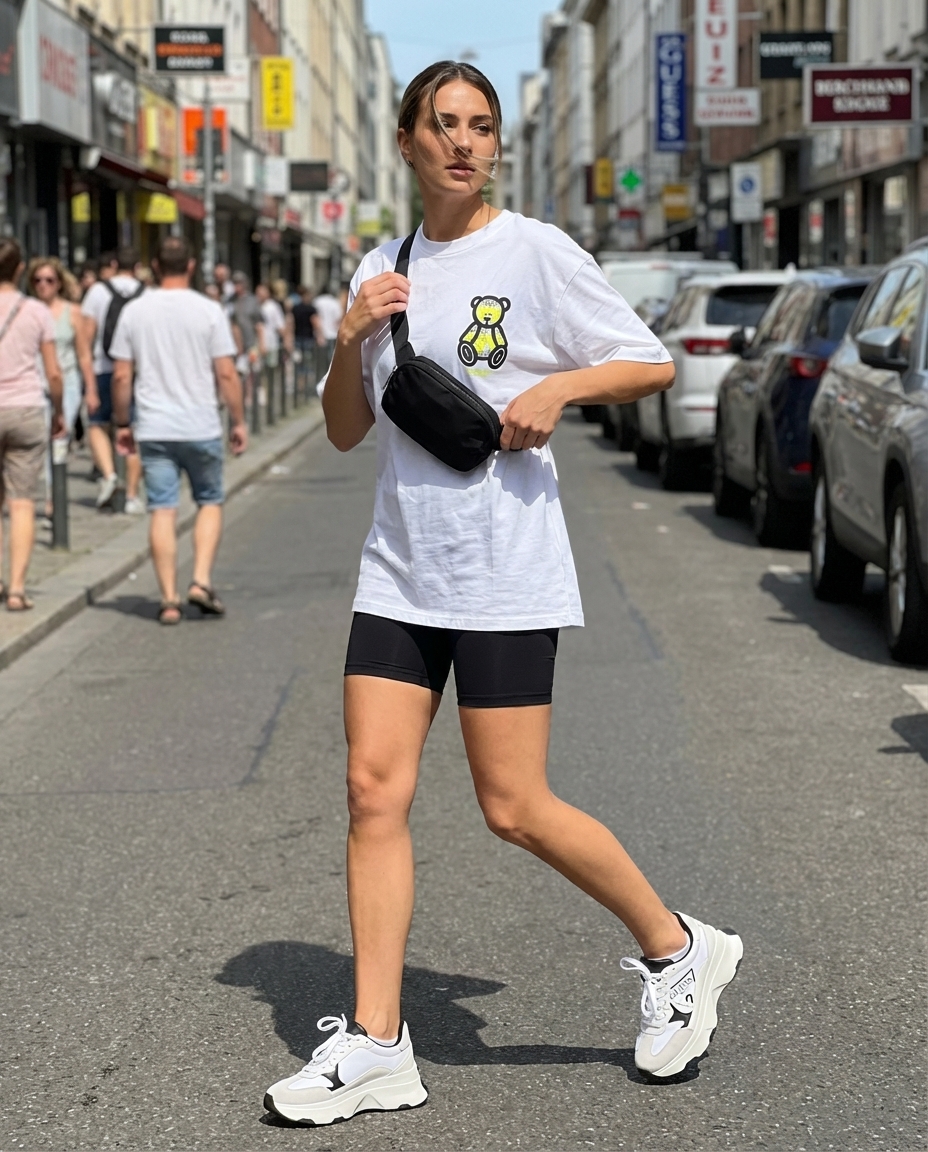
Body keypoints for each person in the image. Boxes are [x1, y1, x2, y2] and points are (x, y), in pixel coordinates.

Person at [263, 62, 744, 1127]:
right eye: (445, 125)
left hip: (504, 568)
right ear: (407, 141)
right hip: (401, 566)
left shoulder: (531, 250)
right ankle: (379, 1041)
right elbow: (348, 430)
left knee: (512, 806)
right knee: (371, 790)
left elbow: (649, 362)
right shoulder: (380, 266)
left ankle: (679, 947)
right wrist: (348, 341)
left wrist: (560, 384)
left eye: (480, 126)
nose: (465, 142)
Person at [110, 236, 247, 625]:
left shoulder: (135, 312)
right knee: (208, 500)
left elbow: (121, 375)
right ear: (190, 266)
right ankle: (200, 581)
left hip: (154, 427)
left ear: (154, 266)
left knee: (162, 509)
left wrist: (123, 423)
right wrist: (237, 421)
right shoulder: (208, 310)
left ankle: (169, 599)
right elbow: (226, 372)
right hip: (200, 423)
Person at [0, 238, 64, 611]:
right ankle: (18, 589)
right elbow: (53, 373)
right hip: (25, 408)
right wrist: (58, 411)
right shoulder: (36, 311)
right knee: (22, 502)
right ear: (21, 270)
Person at [27, 257, 95, 517]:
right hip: (34, 381)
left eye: (49, 280)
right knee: (40, 439)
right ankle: (50, 493)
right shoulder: (27, 310)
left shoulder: (72, 312)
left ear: (58, 283)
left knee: (58, 437)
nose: (43, 285)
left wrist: (91, 389)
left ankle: (53, 499)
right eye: (38, 280)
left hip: (67, 381)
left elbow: (84, 354)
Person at [80, 248, 145, 513]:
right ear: (138, 267)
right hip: (136, 372)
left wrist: (88, 383)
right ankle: (131, 495)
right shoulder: (147, 293)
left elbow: (86, 336)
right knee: (131, 431)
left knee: (97, 424)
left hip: (102, 367)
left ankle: (108, 475)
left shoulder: (97, 291)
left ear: (115, 264)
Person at [229, 272, 264, 409]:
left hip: (251, 342)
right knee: (240, 372)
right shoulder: (231, 301)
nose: (236, 287)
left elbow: (259, 324)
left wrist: (262, 343)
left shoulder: (252, 301)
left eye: (238, 283)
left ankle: (253, 395)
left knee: (253, 371)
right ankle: (242, 397)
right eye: (234, 283)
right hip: (235, 344)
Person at [291, 286, 321, 388]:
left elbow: (291, 324)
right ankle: (307, 387)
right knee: (308, 362)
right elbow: (315, 322)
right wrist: (320, 336)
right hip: (308, 338)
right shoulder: (311, 309)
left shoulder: (295, 308)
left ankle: (300, 385)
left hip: (297, 338)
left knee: (299, 363)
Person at [255, 282, 286, 373]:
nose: (259, 294)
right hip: (257, 344)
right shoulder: (256, 306)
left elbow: (280, 326)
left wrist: (285, 341)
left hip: (271, 344)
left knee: (270, 371)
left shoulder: (273, 307)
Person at [312, 282, 343, 365]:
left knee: (319, 360)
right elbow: (338, 319)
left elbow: (314, 318)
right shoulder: (335, 302)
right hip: (332, 333)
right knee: (330, 359)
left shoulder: (317, 301)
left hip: (319, 334)